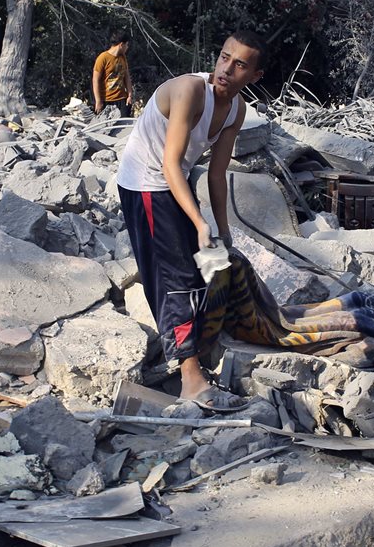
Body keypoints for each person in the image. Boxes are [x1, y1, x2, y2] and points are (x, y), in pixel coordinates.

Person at [115, 30, 266, 410]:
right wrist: (200, 223)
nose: (227, 69)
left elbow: (216, 175)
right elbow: (169, 163)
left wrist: (224, 230)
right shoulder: (188, 91)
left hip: (172, 182)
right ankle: (190, 378)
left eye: (240, 65)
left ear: (254, 76)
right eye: (224, 57)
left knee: (206, 266)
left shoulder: (236, 109)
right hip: (145, 183)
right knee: (175, 278)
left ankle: (207, 342)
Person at [92, 29, 132, 116]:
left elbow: (127, 77)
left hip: (122, 99)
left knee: (124, 126)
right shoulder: (103, 58)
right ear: (121, 45)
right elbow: (95, 80)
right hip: (106, 100)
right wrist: (98, 101)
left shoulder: (123, 57)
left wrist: (129, 95)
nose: (127, 47)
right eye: (126, 45)